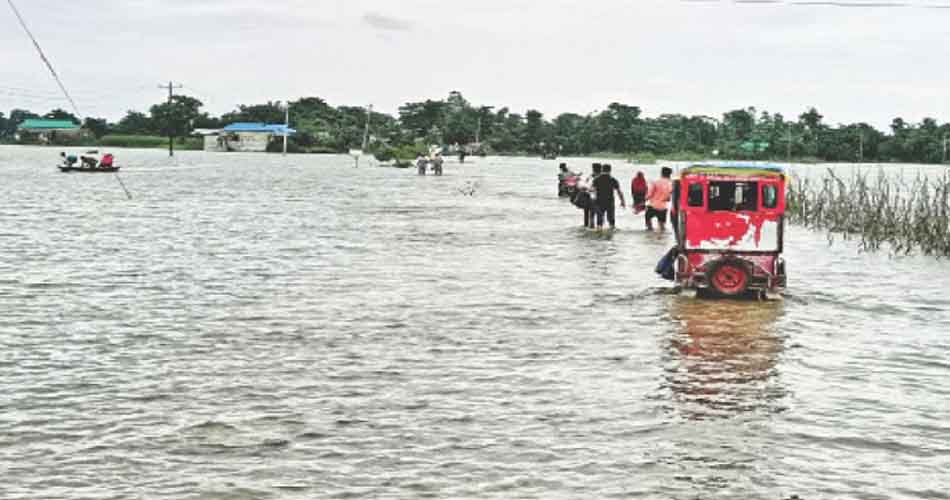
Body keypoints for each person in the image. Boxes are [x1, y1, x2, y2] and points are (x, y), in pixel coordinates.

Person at [592, 164, 626, 229]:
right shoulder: (613, 180)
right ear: (610, 170)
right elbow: (619, 192)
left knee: (599, 220)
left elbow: (592, 190)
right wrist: (622, 201)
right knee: (611, 220)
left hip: (599, 201)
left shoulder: (596, 179)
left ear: (602, 169)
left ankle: (598, 235)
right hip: (610, 202)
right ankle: (611, 235)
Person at [645, 166, 674, 231]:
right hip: (663, 208)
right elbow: (668, 198)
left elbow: (649, 195)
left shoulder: (655, 182)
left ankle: (649, 236)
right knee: (662, 228)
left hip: (652, 206)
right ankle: (661, 239)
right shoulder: (671, 183)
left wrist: (643, 200)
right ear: (670, 174)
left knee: (648, 225)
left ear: (661, 173)